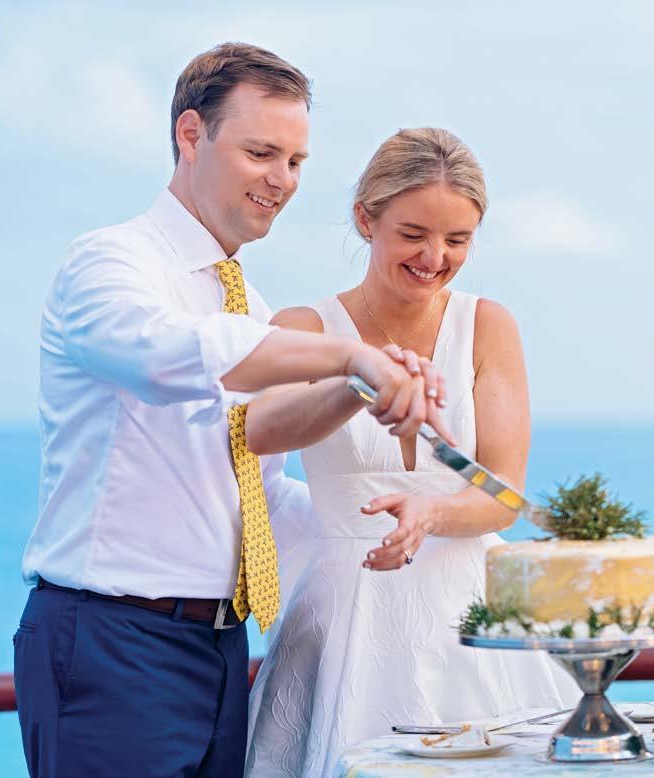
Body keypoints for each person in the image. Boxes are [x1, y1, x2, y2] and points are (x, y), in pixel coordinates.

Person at [14, 44, 448, 778]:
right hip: (111, 640)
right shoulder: (110, 263)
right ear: (191, 134)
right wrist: (351, 357)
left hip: (220, 649)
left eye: (296, 161)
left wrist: (398, 519)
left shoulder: (252, 306)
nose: (283, 180)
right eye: (261, 153)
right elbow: (171, 355)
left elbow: (254, 489)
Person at [245, 128, 577, 778]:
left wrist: (431, 513)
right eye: (413, 234)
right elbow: (261, 430)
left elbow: (503, 493)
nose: (434, 257)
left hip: (471, 618)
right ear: (365, 219)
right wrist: (354, 381)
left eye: (457, 240)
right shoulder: (301, 328)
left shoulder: (488, 325)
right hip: (345, 614)